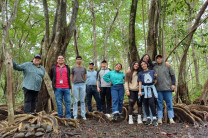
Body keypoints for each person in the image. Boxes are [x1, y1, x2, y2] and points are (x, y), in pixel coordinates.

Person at [153, 55, 176, 124]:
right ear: (156, 60)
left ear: (162, 59)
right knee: (159, 103)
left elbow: (172, 75)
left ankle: (171, 118)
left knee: (169, 103)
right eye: (157, 58)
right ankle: (159, 118)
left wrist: (173, 84)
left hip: (168, 88)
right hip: (158, 88)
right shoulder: (154, 67)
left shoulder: (167, 65)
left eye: (160, 58)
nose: (159, 59)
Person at [138, 61, 158, 126]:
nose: (143, 65)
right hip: (144, 89)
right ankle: (148, 118)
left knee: (151, 103)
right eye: (142, 65)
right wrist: (140, 91)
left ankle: (154, 119)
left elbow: (155, 80)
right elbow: (140, 82)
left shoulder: (152, 71)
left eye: (144, 64)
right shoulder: (140, 73)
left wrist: (152, 85)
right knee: (145, 103)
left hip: (150, 88)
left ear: (147, 65)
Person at [71, 56, 87, 120]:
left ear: (81, 60)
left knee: (82, 100)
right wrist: (73, 82)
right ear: (76, 60)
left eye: (80, 59)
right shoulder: (73, 68)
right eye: (77, 59)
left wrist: (82, 81)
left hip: (82, 84)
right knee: (75, 101)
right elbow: (71, 76)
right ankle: (75, 115)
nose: (79, 60)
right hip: (75, 85)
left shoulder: (84, 68)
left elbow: (85, 77)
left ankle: (83, 115)